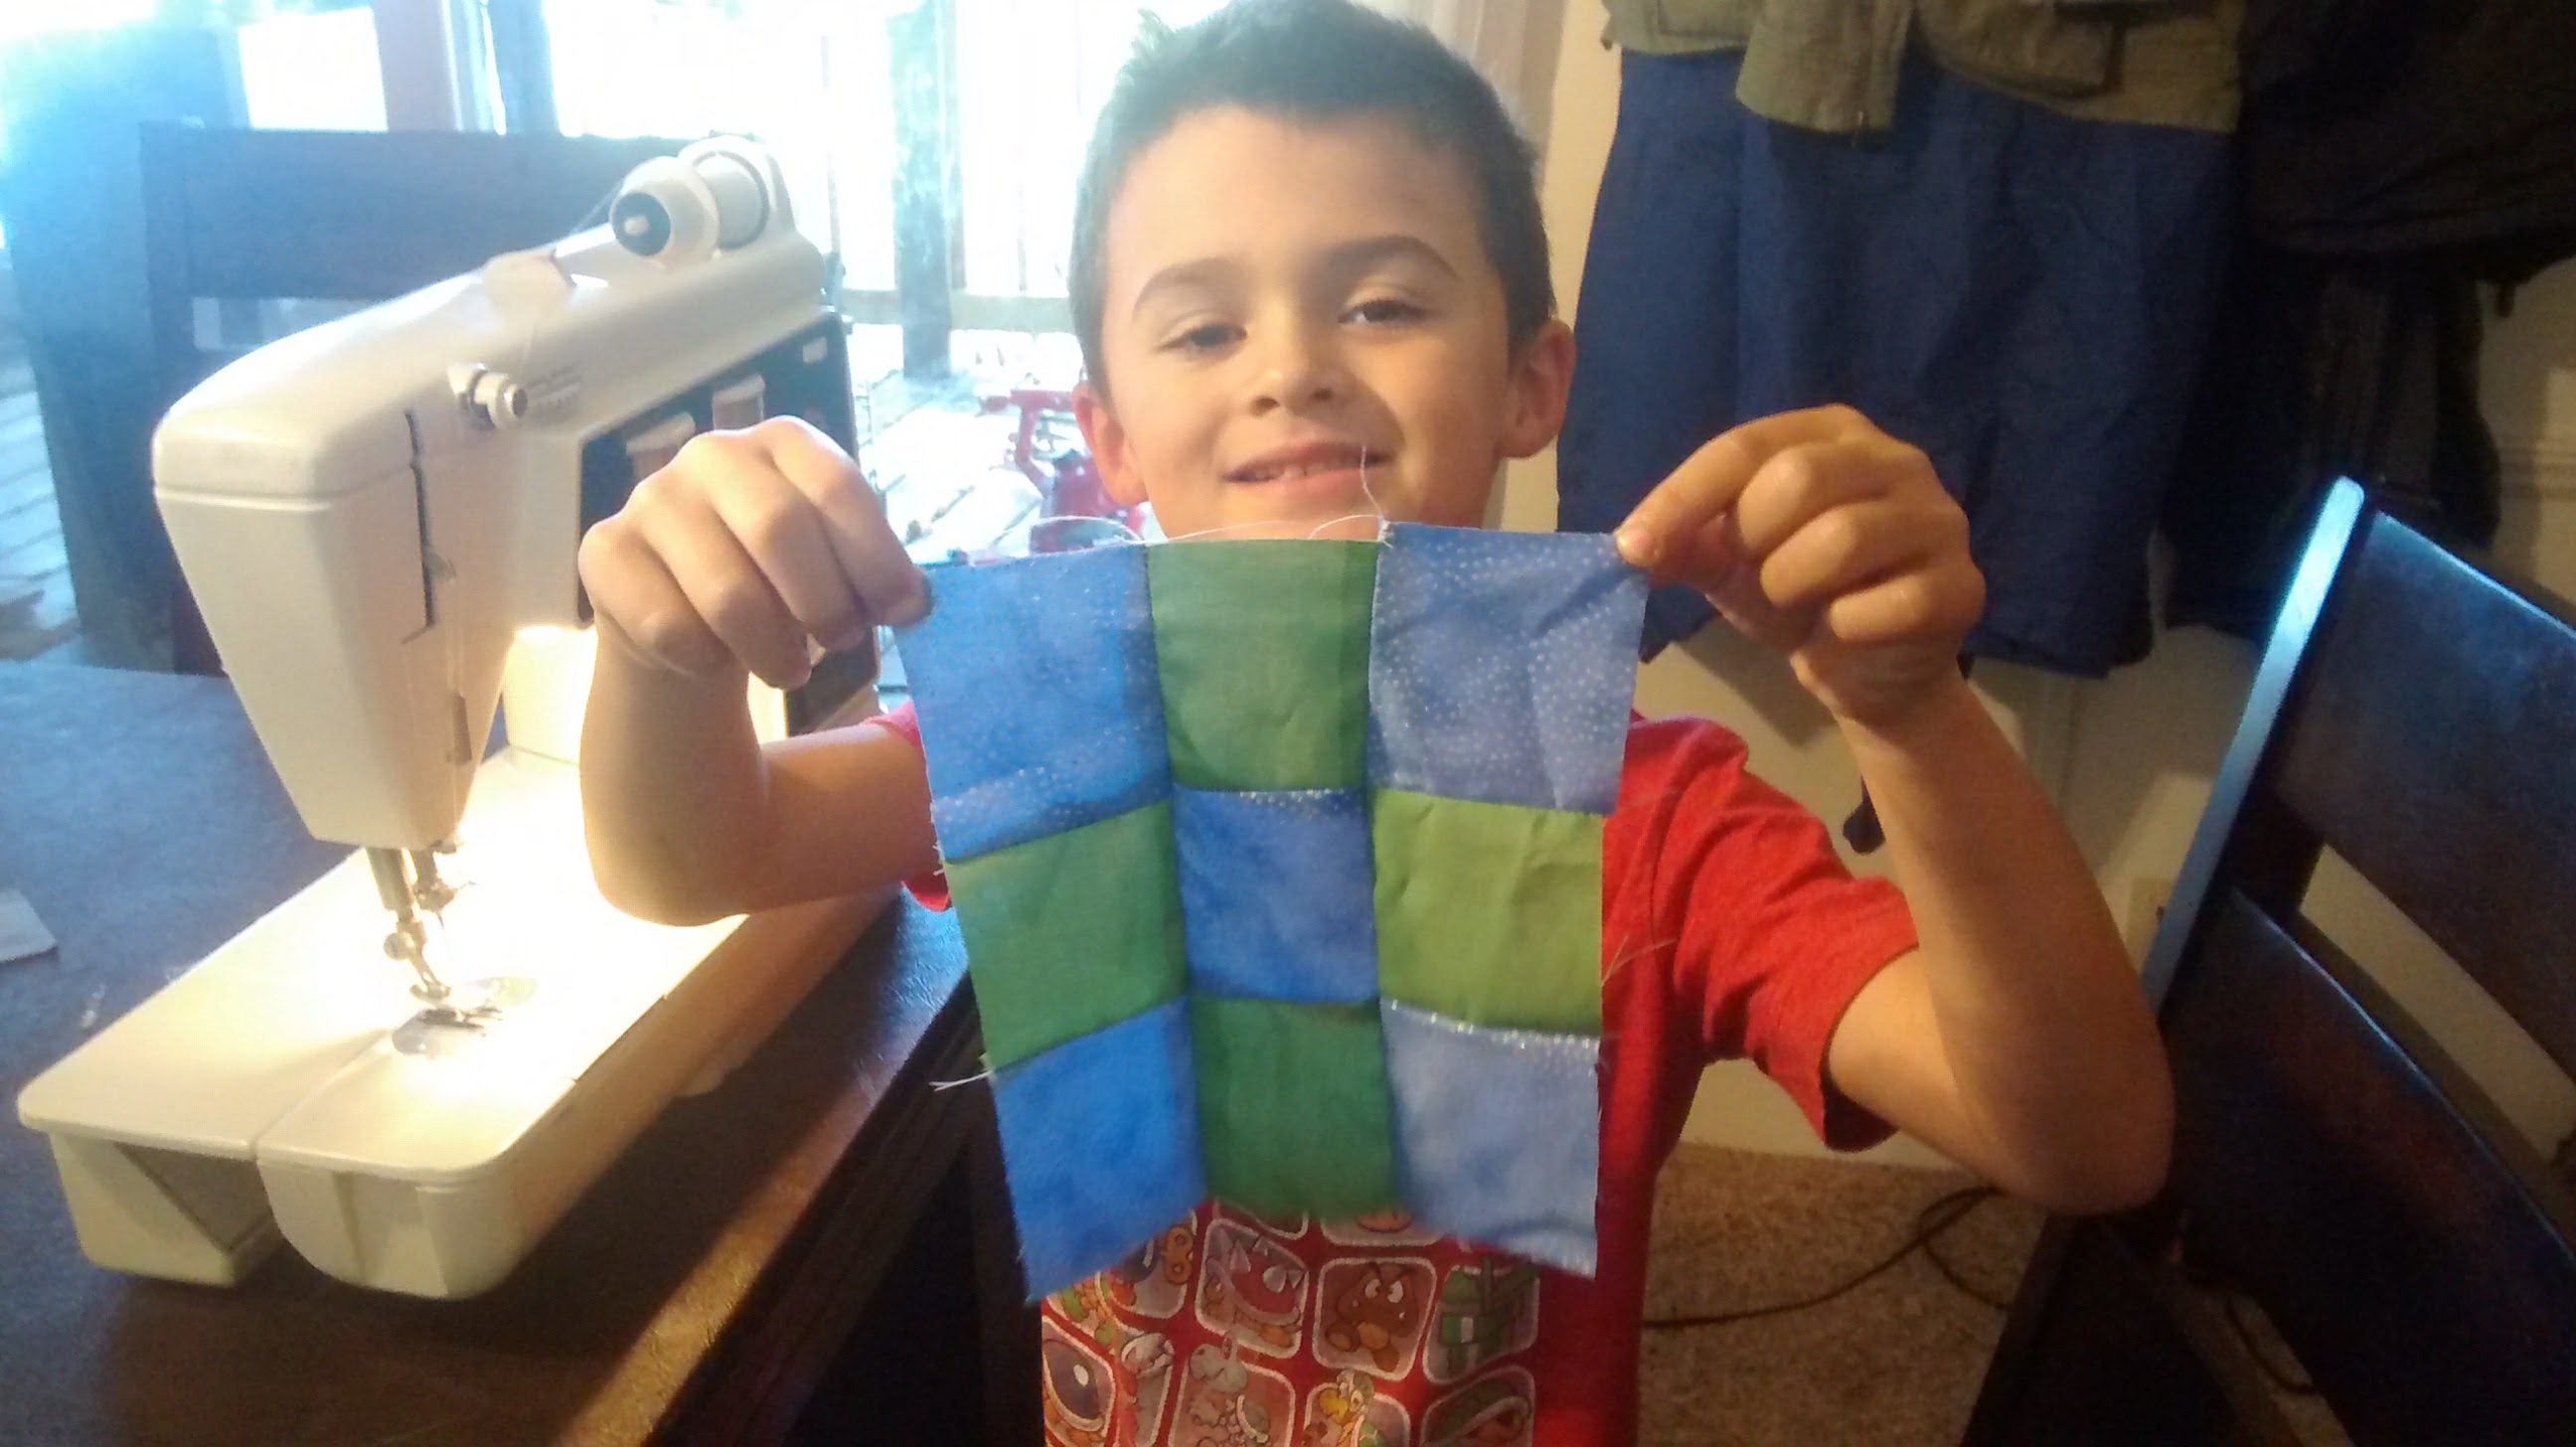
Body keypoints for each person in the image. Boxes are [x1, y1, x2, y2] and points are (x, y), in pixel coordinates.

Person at [574, 2, 2171, 1441]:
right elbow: (693, 854)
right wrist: (660, 651)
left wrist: (1910, 711)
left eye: (1383, 302)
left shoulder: (1653, 821)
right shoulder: (1069, 737)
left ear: (1531, 383)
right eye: (1205, 328)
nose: (1292, 370)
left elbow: (2087, 1142)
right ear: (1111, 437)